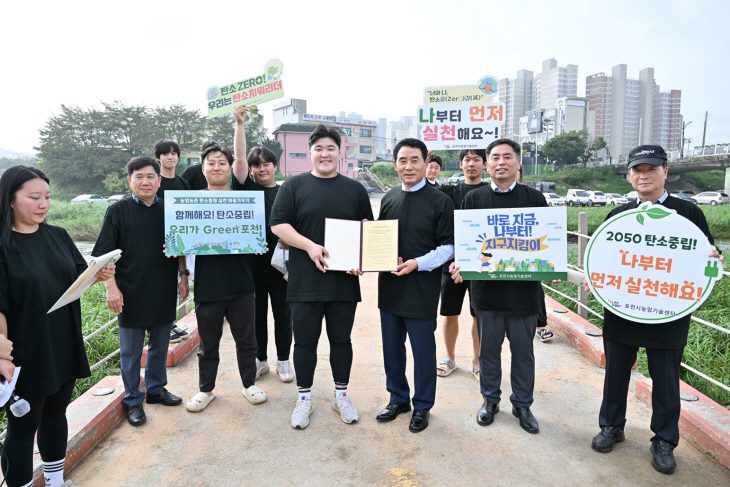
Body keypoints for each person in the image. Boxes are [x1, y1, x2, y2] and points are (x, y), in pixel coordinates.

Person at [590, 145, 724, 475]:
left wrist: (714, 261)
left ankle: (664, 439)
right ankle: (611, 426)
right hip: (623, 308)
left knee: (666, 379)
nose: (643, 175)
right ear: (630, 175)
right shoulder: (618, 215)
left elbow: (706, 256)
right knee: (616, 372)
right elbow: (602, 258)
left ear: (665, 171)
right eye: (637, 169)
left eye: (651, 168)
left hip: (668, 311)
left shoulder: (688, 213)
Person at [0, 166, 114, 487]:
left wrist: (98, 274)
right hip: (26, 349)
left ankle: (55, 481)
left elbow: (78, 277)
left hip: (62, 342)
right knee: (23, 427)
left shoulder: (58, 235)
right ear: (9, 200)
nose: (43, 204)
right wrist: (3, 356)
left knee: (55, 415)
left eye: (48, 197)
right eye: (34, 197)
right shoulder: (3, 246)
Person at [271, 124, 374, 429]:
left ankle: (340, 394)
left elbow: (366, 229)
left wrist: (362, 258)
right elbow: (279, 225)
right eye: (319, 148)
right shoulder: (293, 185)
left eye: (331, 148)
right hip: (305, 281)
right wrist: (310, 246)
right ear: (311, 153)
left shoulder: (354, 189)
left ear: (339, 153)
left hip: (343, 281)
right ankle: (304, 399)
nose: (325, 153)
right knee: (304, 343)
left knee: (341, 341)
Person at [450, 138, 547, 435]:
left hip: (524, 294)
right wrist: (460, 263)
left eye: (508, 157)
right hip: (486, 293)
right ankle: (490, 400)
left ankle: (522, 404)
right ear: (487, 164)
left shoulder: (534, 198)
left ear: (518, 163)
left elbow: (546, 244)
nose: (501, 162)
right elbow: (466, 243)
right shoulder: (474, 200)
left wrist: (551, 266)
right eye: (495, 157)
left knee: (523, 353)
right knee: (488, 352)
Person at [93, 157, 188, 427]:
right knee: (131, 352)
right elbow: (104, 257)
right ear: (129, 181)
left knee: (159, 346)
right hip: (130, 291)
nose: (145, 182)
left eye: (150, 177)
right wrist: (111, 289)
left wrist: (183, 276)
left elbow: (179, 245)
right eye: (138, 177)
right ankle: (133, 400)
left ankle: (156, 390)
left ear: (160, 180)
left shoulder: (170, 209)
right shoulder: (118, 211)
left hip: (162, 288)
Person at [375, 138, 454, 433]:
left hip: (421, 288)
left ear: (425, 162)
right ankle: (398, 398)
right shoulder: (389, 198)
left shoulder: (440, 200)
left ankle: (422, 406)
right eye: (403, 161)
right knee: (391, 348)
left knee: (422, 351)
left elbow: (448, 247)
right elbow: (378, 238)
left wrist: (417, 263)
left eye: (415, 160)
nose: (408, 166)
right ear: (395, 164)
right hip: (390, 286)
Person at [184, 138, 267, 413]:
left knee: (247, 340)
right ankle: (206, 389)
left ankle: (248, 384)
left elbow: (256, 237)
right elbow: (180, 240)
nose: (217, 167)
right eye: (211, 163)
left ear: (230, 168)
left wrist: (259, 243)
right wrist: (175, 248)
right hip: (208, 285)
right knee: (208, 345)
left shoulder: (244, 201)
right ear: (203, 168)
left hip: (242, 283)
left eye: (222, 163)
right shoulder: (190, 204)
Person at [231, 108, 293, 383]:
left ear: (275, 166)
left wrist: (291, 240)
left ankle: (284, 361)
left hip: (281, 267)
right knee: (256, 319)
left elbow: (297, 224)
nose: (261, 168)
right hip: (251, 268)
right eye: (257, 164)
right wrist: (240, 125)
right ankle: (261, 360)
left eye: (267, 163)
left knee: (283, 316)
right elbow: (239, 160)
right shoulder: (246, 190)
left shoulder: (286, 192)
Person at [436, 149, 487, 380]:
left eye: (477, 159)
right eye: (467, 159)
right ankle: (450, 358)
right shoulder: (449, 190)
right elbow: (427, 190)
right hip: (452, 263)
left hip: (483, 263)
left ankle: (477, 361)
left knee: (479, 315)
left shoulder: (489, 193)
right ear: (460, 164)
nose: (471, 163)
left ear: (484, 164)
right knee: (450, 313)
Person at [153, 138, 191, 344]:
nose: (170, 157)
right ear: (158, 157)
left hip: (177, 241)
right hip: (156, 240)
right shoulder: (154, 181)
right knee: (156, 284)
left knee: (172, 283)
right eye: (166, 153)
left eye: (174, 153)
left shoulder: (183, 183)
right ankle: (159, 326)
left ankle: (169, 323)